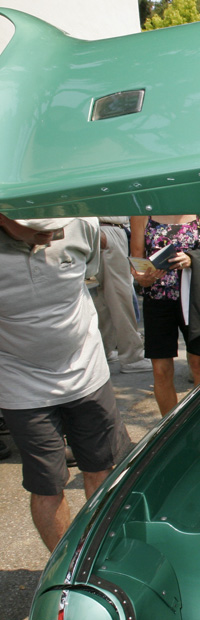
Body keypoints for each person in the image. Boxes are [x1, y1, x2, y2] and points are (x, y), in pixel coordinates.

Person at [0, 214, 131, 550]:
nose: (55, 233)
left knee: (102, 467)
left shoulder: (82, 225)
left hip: (86, 370)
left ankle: (102, 556)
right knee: (47, 484)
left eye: (58, 226)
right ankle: (65, 570)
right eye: (40, 229)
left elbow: (91, 268)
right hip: (20, 382)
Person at [129, 215, 200, 416]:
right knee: (161, 372)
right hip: (157, 299)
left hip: (194, 299)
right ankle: (169, 430)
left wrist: (191, 258)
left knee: (199, 365)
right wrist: (143, 278)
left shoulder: (198, 212)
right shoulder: (142, 215)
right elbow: (137, 260)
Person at [93, 216, 148, 373]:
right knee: (120, 295)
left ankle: (104, 350)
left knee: (104, 298)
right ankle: (132, 356)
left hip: (107, 228)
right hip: (107, 228)